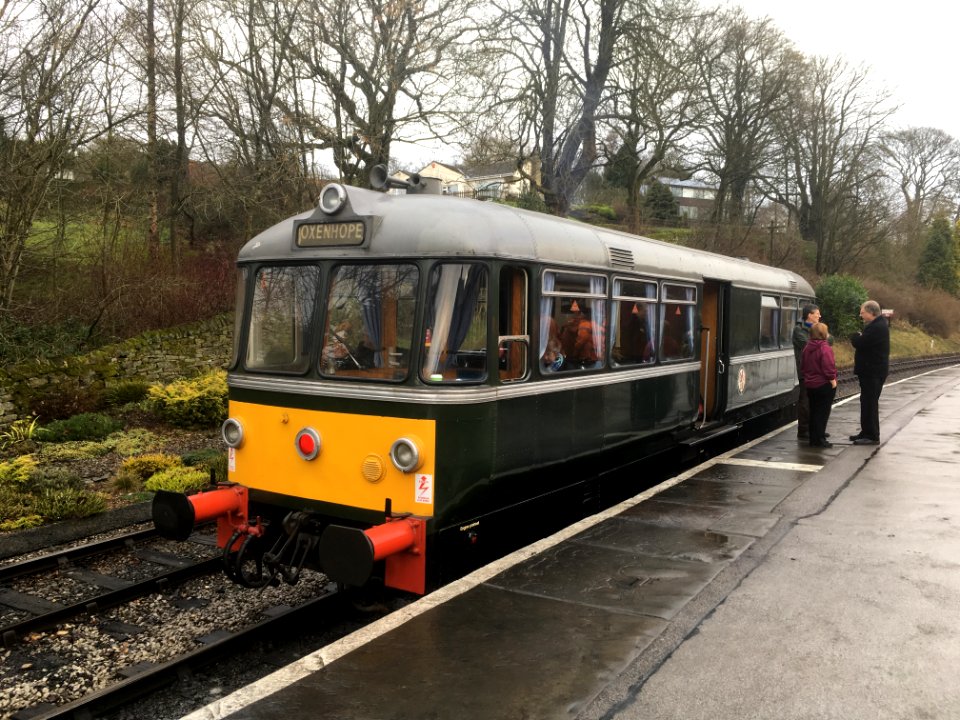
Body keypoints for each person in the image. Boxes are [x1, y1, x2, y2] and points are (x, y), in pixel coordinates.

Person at [849, 300, 889, 445]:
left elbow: (859, 342)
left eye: (863, 312)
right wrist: (860, 336)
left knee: (869, 403)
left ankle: (871, 435)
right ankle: (866, 431)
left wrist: (855, 336)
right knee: (866, 402)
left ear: (871, 312)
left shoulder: (876, 327)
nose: (861, 315)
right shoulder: (876, 325)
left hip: (872, 372)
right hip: (871, 371)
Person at [792, 304, 829, 440]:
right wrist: (822, 339)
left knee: (817, 402)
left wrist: (822, 339)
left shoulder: (816, 328)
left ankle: (816, 429)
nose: (819, 316)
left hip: (818, 371)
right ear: (809, 315)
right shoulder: (799, 330)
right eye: (817, 314)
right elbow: (809, 345)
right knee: (806, 402)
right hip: (806, 372)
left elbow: (830, 340)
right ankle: (803, 430)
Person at [800, 322, 838, 448]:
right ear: (823, 333)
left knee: (814, 412)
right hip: (823, 384)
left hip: (810, 385)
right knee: (822, 413)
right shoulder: (825, 347)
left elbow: (803, 366)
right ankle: (820, 440)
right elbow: (828, 366)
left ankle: (813, 439)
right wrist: (832, 380)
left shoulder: (807, 347)